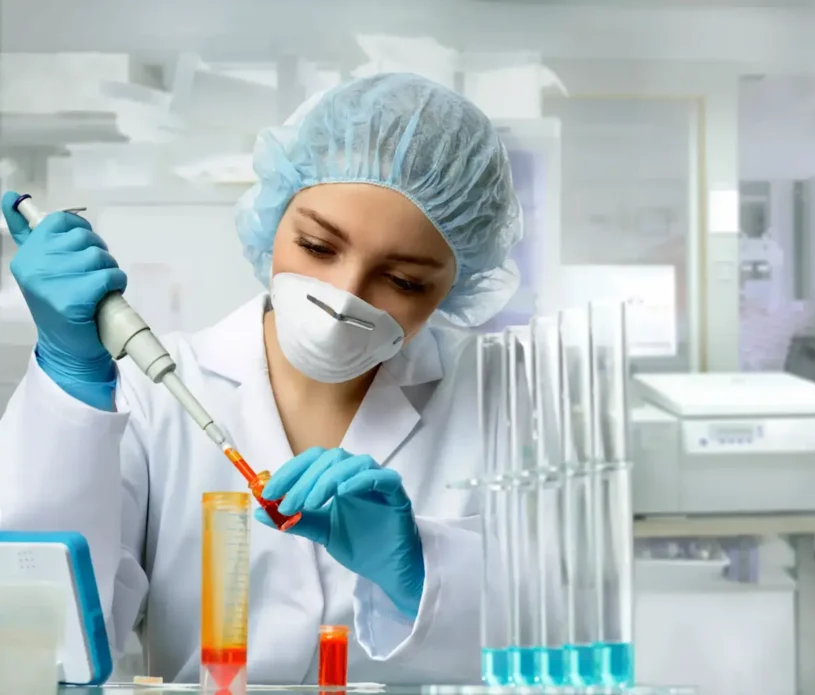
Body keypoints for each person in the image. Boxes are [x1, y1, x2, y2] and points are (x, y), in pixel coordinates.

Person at [0, 73, 522, 685]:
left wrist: (421, 573)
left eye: (404, 280)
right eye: (318, 246)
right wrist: (70, 387)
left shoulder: (506, 400)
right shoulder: (155, 392)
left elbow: (566, 628)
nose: (344, 296)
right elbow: (40, 640)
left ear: (456, 288)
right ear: (273, 218)